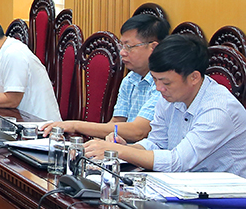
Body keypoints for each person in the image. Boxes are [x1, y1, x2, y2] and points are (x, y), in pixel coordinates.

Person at [85, 35, 246, 176]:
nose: (158, 88)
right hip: (184, 187)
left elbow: (177, 162)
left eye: (166, 82)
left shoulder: (218, 110)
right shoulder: (169, 96)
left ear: (194, 77)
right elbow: (157, 143)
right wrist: (127, 148)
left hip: (226, 202)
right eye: (155, 79)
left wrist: (121, 151)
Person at [41, 13, 168, 141]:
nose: (122, 52)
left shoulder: (164, 85)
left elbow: (138, 131)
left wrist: (75, 125)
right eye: (122, 46)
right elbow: (115, 124)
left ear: (153, 47)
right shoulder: (130, 80)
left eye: (129, 47)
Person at [0, 13, 62, 121]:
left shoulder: (14, 54)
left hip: (39, 128)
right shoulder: (4, 52)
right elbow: (2, 87)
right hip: (22, 121)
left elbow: (12, 99)